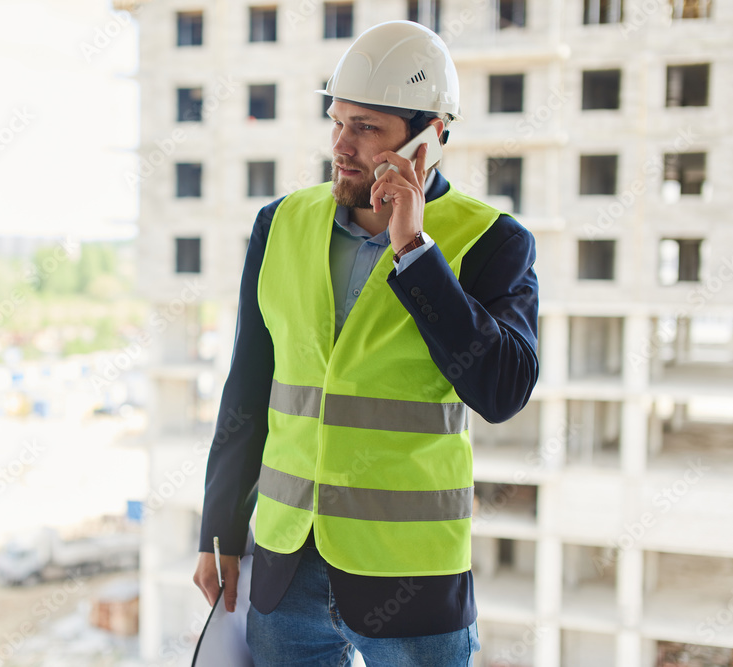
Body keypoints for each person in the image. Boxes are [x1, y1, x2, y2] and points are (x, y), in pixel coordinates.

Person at [192, 20, 539, 666]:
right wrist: (218, 529)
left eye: (367, 128)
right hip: (283, 568)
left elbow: (502, 388)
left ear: (429, 135)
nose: (343, 146)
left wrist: (416, 252)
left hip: (411, 582)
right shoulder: (280, 225)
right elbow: (247, 384)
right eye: (338, 121)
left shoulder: (493, 240)